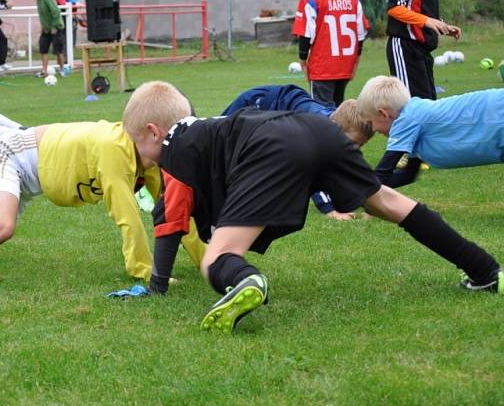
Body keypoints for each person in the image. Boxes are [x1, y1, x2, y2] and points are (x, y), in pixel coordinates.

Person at [118, 81, 501, 334]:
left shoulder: (174, 149)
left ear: (154, 132)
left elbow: (168, 215)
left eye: (139, 146)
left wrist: (157, 286)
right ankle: (485, 270)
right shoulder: (209, 125)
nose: (144, 158)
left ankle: (245, 279)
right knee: (388, 202)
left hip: (270, 147)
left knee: (216, 257)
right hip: (317, 130)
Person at [0, 117, 206, 304]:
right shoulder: (116, 151)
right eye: (171, 141)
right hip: (8, 154)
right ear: (151, 133)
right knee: (1, 227)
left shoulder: (148, 160)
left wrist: (208, 262)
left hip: (33, 172)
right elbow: (127, 217)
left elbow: (177, 214)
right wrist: (144, 271)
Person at [222, 84, 374, 220]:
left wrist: (369, 201)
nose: (354, 150)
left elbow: (348, 170)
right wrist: (329, 210)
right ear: (337, 128)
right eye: (353, 143)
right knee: (222, 142)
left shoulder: (338, 123)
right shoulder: (318, 132)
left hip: (282, 105)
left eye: (360, 145)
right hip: (258, 103)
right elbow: (312, 172)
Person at [357, 75, 504, 188]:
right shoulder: (415, 120)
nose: (374, 129)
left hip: (497, 113)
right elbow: (408, 175)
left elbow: (382, 173)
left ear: (383, 114)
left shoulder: (408, 119)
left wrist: (353, 197)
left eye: (371, 122)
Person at [292, 0, 367, 107]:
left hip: (322, 68)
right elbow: (360, 32)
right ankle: (341, 133)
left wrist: (303, 59)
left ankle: (331, 134)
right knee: (337, 108)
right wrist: (356, 59)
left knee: (322, 112)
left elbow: (306, 33)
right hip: (345, 66)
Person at [25, 0, 65, 78]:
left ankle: (62, 69)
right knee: (43, 48)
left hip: (56, 27)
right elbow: (42, 14)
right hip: (46, 29)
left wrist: (54, 26)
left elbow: (56, 11)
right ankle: (44, 71)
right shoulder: (38, 0)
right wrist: (42, 25)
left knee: (58, 50)